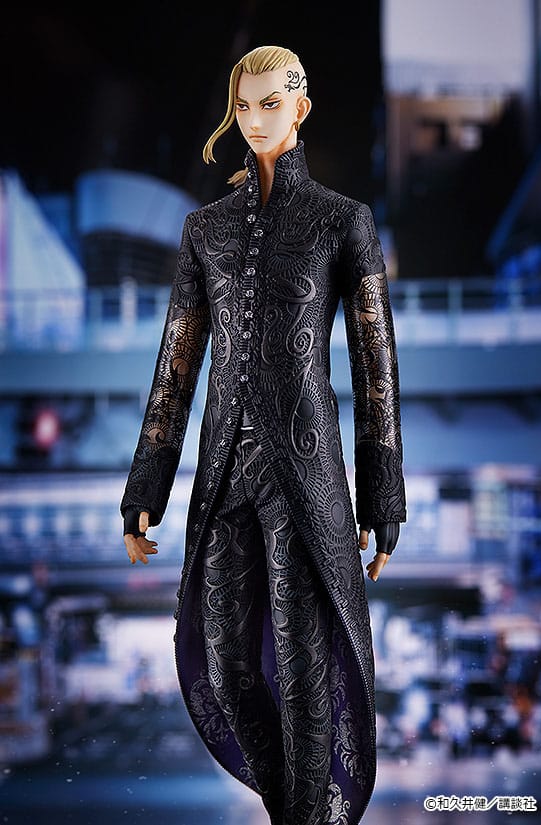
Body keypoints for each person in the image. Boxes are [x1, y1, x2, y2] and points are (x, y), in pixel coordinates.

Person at [121, 44, 406, 825]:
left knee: (306, 671)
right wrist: (146, 485)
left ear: (300, 108)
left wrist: (383, 496)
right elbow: (176, 366)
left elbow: (376, 366)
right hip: (222, 476)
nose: (253, 119)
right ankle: (295, 810)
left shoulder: (344, 220)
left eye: (269, 104)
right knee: (225, 665)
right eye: (243, 105)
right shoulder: (204, 230)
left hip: (306, 481)